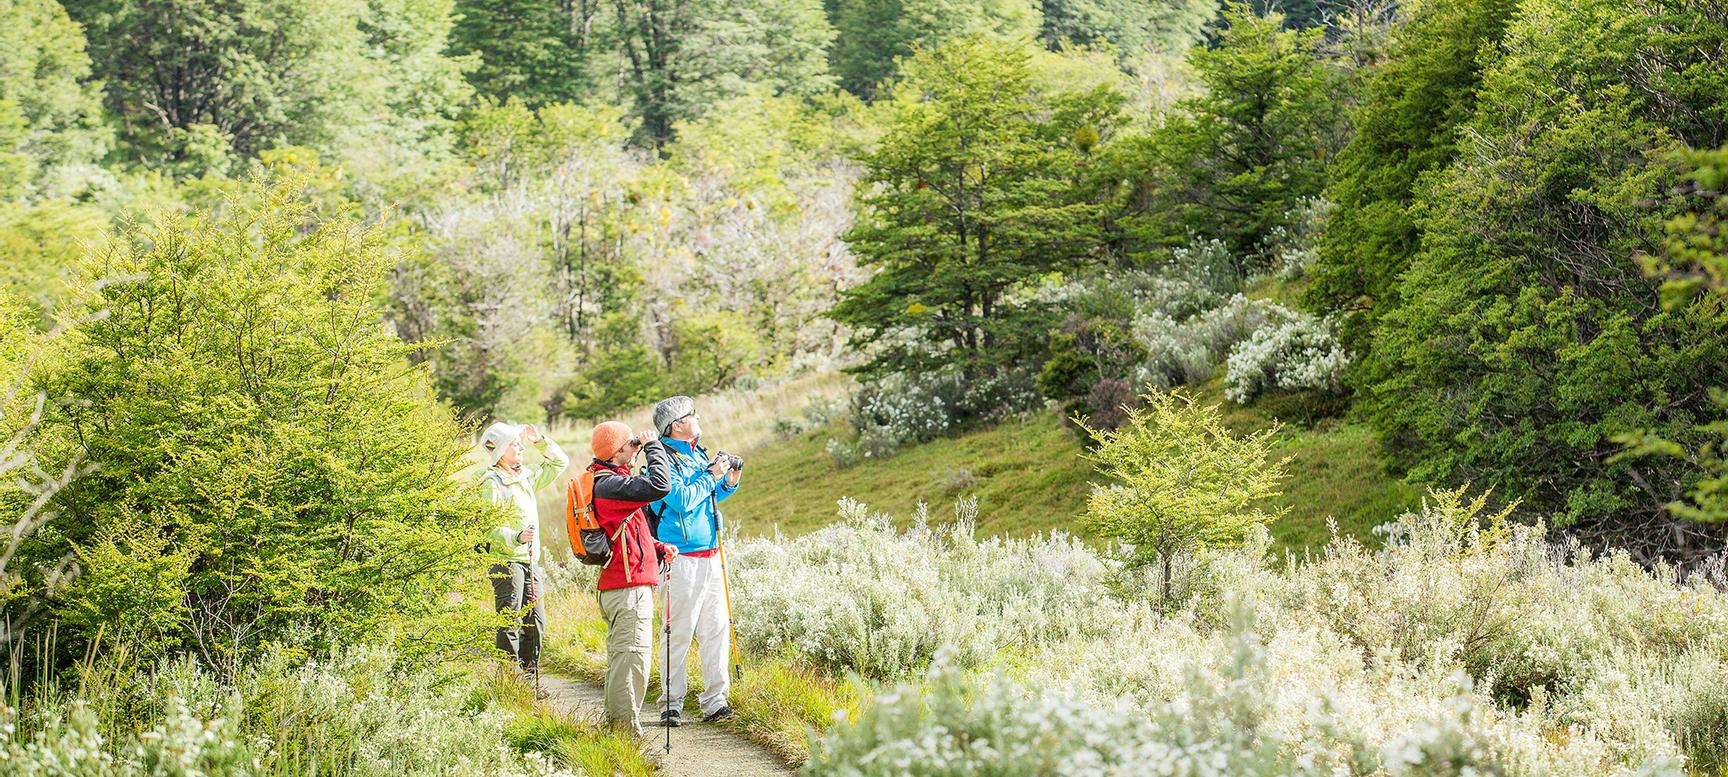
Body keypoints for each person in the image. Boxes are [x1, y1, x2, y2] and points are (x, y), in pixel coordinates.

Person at [649, 395, 742, 726]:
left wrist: (728, 481)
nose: (698, 417)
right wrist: (711, 475)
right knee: (678, 632)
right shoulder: (661, 460)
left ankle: (715, 701)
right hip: (679, 558)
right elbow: (682, 499)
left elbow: (709, 495)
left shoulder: (697, 453)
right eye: (692, 414)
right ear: (677, 425)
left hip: (711, 554)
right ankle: (671, 702)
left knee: (716, 628)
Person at [586, 421, 679, 734]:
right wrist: (653, 446)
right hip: (627, 589)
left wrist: (658, 548)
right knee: (632, 660)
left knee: (622, 660)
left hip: (621, 585)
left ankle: (616, 728)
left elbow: (628, 532)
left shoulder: (610, 483)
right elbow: (661, 486)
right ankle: (624, 733)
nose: (636, 447)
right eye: (631, 444)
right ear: (616, 451)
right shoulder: (610, 485)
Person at [477, 421, 569, 680]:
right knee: (510, 621)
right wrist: (516, 537)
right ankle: (511, 681)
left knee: (536, 621)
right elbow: (487, 528)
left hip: (530, 561)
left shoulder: (524, 477)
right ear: (501, 451)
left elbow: (559, 463)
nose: (521, 448)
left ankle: (531, 678)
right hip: (506, 561)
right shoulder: (492, 483)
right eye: (515, 444)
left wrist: (540, 441)